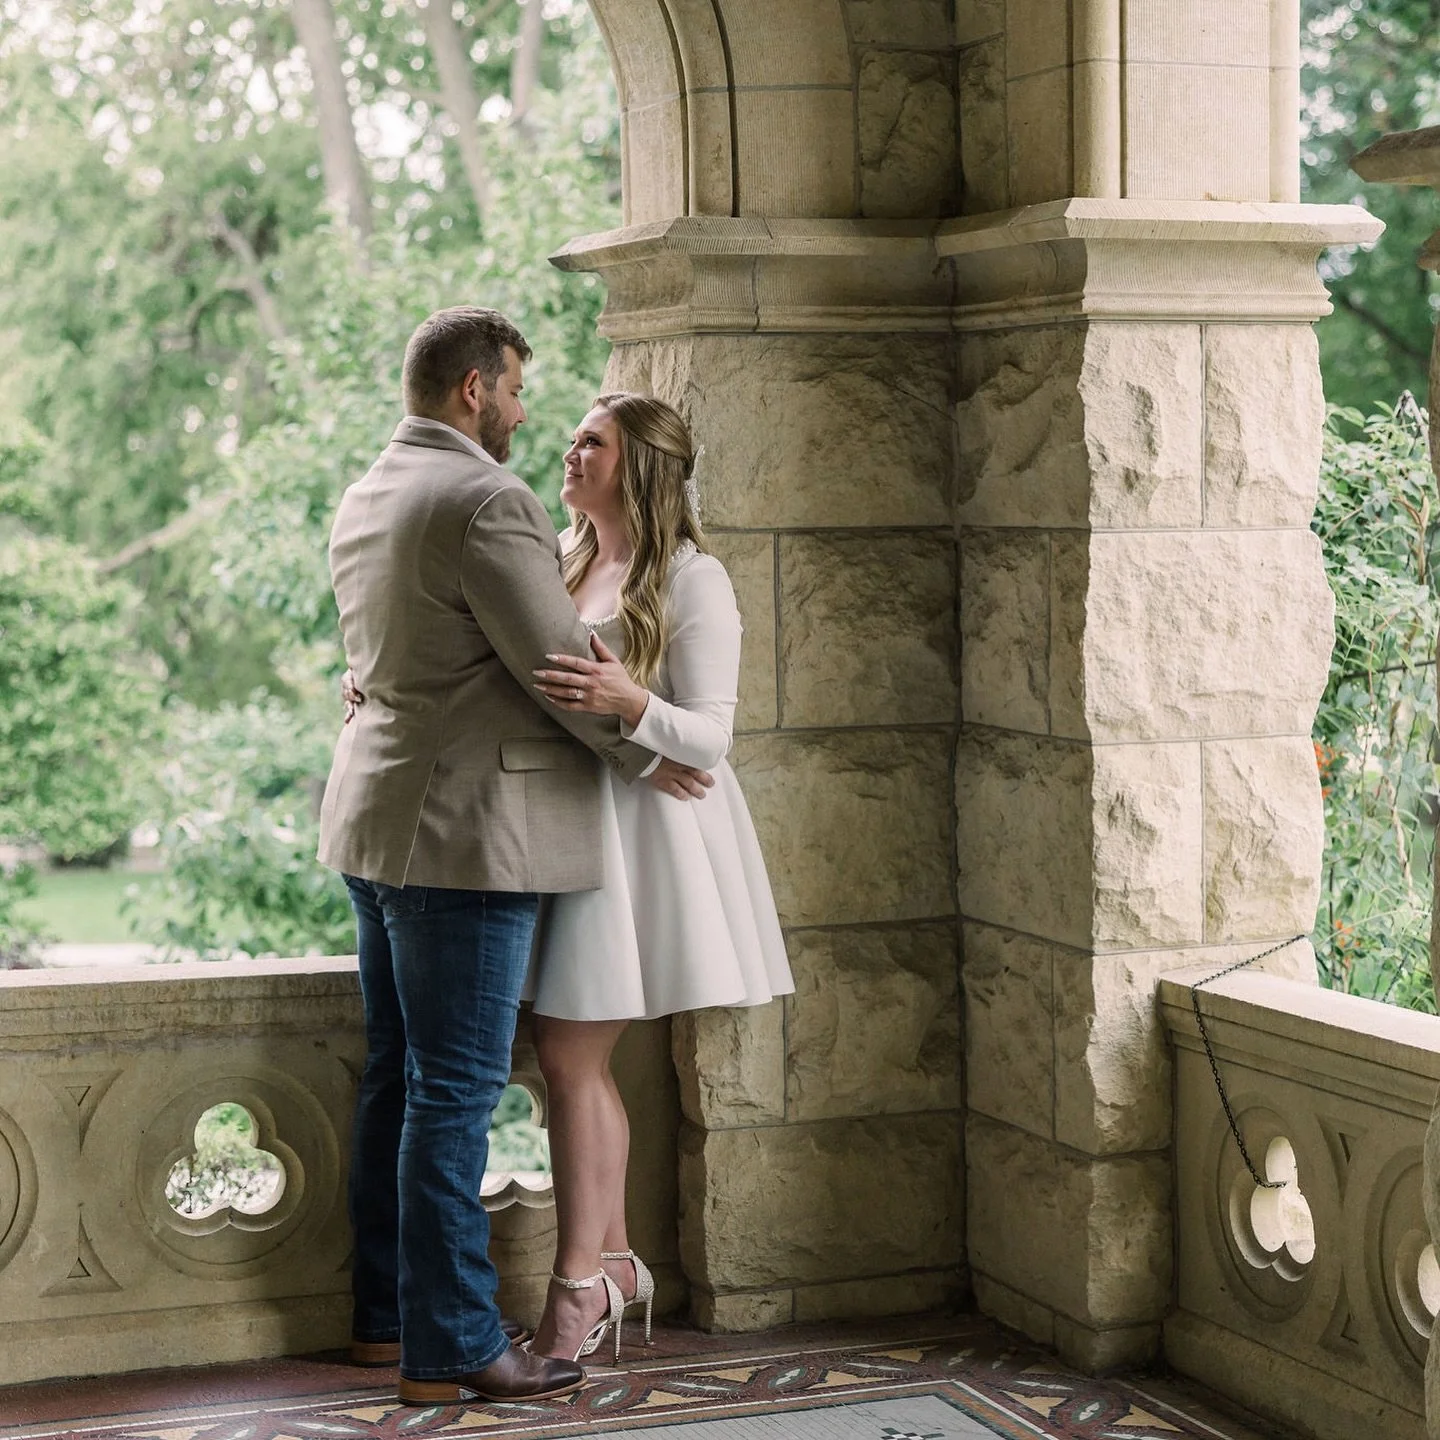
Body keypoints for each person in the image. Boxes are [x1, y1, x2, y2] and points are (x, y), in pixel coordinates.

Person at [317, 308, 711, 1407]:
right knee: (455, 1093)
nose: (527, 416)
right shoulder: (488, 498)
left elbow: (403, 659)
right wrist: (649, 743)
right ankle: (449, 1348)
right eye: (518, 392)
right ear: (474, 390)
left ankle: (382, 1319)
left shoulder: (369, 491)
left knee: (398, 1078)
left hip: (374, 821)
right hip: (467, 841)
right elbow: (559, 668)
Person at [522, 393, 793, 1363]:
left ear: (637, 463)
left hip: (647, 846)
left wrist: (634, 703)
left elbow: (712, 737)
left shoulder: (695, 578)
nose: (569, 448)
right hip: (569, 827)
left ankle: (581, 1286)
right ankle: (619, 1261)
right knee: (569, 1058)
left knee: (569, 1057)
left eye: (590, 440)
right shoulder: (567, 559)